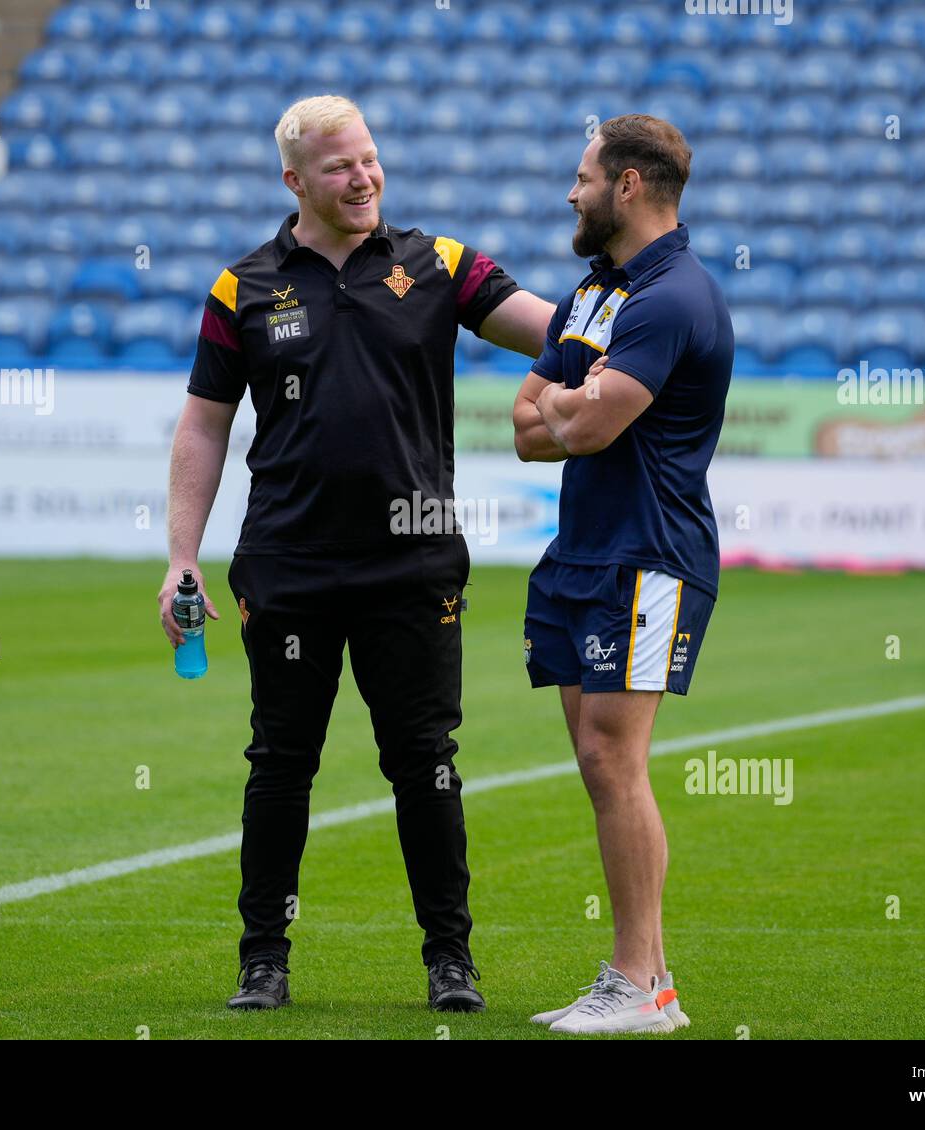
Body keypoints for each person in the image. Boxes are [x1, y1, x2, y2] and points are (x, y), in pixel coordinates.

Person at [159, 95, 554, 1013]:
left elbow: (552, 329)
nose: (364, 176)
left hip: (413, 564)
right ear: (295, 181)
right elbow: (203, 427)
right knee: (280, 763)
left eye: (370, 158)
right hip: (288, 564)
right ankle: (264, 960)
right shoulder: (241, 288)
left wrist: (637, 317)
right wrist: (182, 555)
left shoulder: (443, 266)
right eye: (341, 166)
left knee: (426, 762)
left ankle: (450, 961)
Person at [512, 115, 734, 1034]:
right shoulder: (593, 293)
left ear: (629, 185)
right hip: (581, 554)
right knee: (597, 762)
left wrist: (568, 407)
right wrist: (571, 404)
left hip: (649, 556)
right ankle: (649, 982)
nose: (572, 193)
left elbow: (584, 428)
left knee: (613, 758)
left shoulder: (674, 296)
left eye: (583, 177)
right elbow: (525, 428)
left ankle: (638, 984)